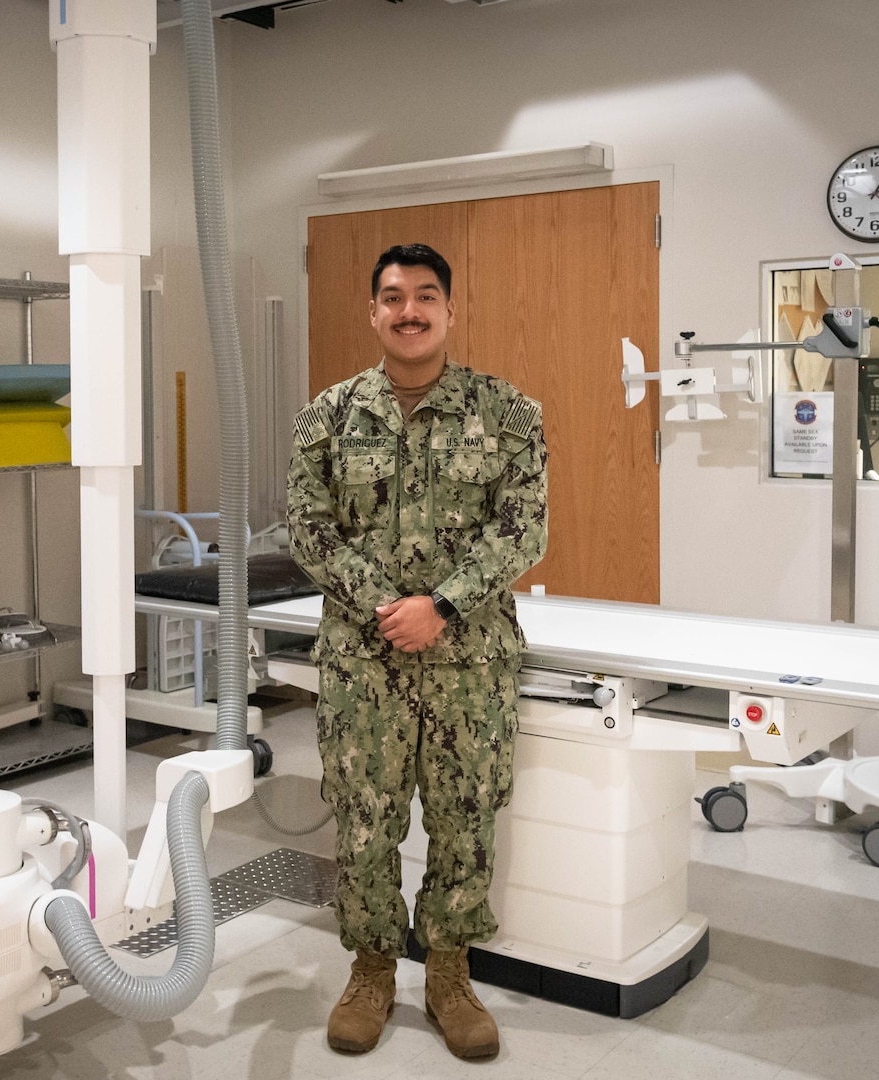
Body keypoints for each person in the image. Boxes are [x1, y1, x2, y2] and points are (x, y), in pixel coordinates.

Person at [286, 243, 548, 1058]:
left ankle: (448, 973)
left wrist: (440, 606)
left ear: (449, 309)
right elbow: (307, 525)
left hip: (470, 663)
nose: (409, 311)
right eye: (393, 297)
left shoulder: (511, 414)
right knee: (365, 821)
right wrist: (384, 606)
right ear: (373, 312)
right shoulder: (328, 416)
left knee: (465, 822)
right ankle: (371, 971)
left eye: (425, 296)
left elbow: (524, 527)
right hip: (363, 665)